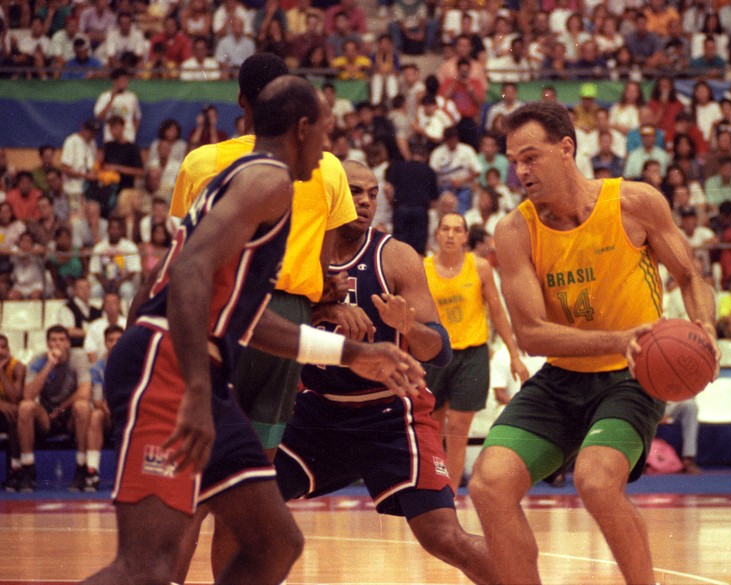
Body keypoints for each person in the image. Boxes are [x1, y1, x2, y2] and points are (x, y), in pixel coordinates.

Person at [80, 75, 425, 585]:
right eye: (326, 133)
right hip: (170, 364)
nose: (329, 148)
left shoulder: (252, 180)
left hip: (196, 367)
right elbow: (188, 272)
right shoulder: (269, 180)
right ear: (303, 128)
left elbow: (244, 318)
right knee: (145, 567)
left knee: (275, 543)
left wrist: (351, 352)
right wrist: (197, 387)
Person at [468, 102, 719, 585]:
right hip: (562, 378)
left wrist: (704, 326)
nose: (520, 171)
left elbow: (690, 275)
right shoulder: (514, 230)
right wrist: (621, 337)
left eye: (531, 157)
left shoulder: (634, 203)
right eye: (514, 160)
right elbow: (531, 335)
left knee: (597, 481)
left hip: (632, 378)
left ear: (567, 149)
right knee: (488, 484)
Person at [167, 54, 356, 581]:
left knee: (194, 491)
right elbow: (330, 251)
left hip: (216, 321)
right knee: (248, 492)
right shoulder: (324, 167)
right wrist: (326, 291)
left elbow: (183, 250)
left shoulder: (201, 162)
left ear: (242, 103)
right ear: (301, 118)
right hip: (283, 321)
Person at [274, 160, 498, 583]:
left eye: (372, 193)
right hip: (318, 414)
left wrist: (407, 326)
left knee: (444, 538)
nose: (364, 201)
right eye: (355, 192)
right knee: (247, 507)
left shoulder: (394, 256)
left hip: (391, 416)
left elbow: (441, 350)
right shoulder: (299, 253)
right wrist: (325, 308)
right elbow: (267, 321)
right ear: (332, 195)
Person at [424, 212, 528, 495]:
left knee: (457, 429)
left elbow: (498, 312)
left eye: (457, 230)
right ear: (437, 234)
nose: (450, 235)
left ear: (465, 237)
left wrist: (515, 355)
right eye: (445, 229)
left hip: (472, 355)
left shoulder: (480, 268)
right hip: (435, 354)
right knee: (432, 428)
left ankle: (450, 494)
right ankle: (433, 490)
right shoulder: (423, 268)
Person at [16, 326, 91, 493]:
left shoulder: (78, 356)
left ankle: (81, 468)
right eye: (53, 340)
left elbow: (84, 392)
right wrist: (50, 364)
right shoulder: (38, 360)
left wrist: (61, 410)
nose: (58, 344)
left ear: (69, 343)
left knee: (83, 406)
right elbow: (28, 395)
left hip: (68, 413)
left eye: (62, 340)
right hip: (45, 416)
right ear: (47, 343)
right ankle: (27, 468)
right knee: (25, 407)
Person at [83, 324, 124, 492]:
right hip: (110, 412)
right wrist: (111, 410)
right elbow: (98, 400)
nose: (114, 343)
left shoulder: (135, 362)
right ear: (105, 343)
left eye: (118, 340)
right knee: (95, 416)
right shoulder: (98, 367)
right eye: (110, 340)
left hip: (129, 412)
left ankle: (125, 475)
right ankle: (92, 472)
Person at [0, 333, 26, 491]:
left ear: (8, 349)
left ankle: (15, 470)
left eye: (3, 347)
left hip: (7, 415)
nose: (0, 351)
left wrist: (1, 373)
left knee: (14, 414)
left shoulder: (17, 367)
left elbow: (15, 398)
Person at [55, 277, 103, 349]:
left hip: (95, 349)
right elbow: (69, 331)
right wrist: (91, 333)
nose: (85, 291)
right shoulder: (67, 308)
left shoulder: (96, 311)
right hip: (76, 349)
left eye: (87, 288)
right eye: (81, 288)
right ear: (74, 290)